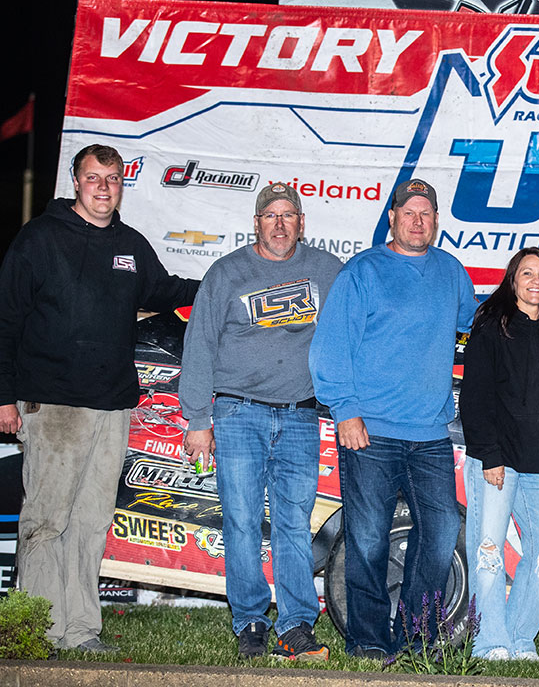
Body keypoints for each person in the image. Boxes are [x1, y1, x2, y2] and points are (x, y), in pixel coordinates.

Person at [0, 144, 198, 651]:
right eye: (93, 178)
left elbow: (166, 290)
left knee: (90, 522)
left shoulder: (129, 244)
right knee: (47, 521)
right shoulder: (40, 238)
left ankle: (81, 630)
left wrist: (220, 284)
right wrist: (3, 396)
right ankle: (40, 629)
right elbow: (6, 320)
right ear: (76, 180)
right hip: (53, 403)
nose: (103, 187)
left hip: (112, 405)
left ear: (121, 184)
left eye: (112, 178)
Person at [308, 179, 476, 658]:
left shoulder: (450, 272)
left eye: (425, 213)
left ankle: (416, 637)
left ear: (436, 220)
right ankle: (367, 641)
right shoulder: (363, 272)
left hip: (431, 433)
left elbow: (477, 325)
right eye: (408, 212)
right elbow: (329, 348)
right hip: (370, 431)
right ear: (392, 218)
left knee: (441, 533)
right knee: (366, 540)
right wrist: (345, 410)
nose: (417, 221)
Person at [179, 182, 343, 660]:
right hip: (237, 413)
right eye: (270, 215)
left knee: (294, 524)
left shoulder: (327, 270)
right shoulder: (227, 272)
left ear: (301, 223)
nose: (279, 223)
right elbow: (199, 345)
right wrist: (198, 418)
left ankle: (296, 625)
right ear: (256, 223)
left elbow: (356, 326)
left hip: (299, 415)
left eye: (288, 215)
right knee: (242, 521)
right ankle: (250, 620)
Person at [460, 248, 539, 662]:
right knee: (488, 553)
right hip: (497, 458)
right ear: (513, 280)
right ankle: (489, 642)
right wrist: (489, 455)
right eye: (527, 273)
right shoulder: (491, 326)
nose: (536, 281)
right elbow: (474, 397)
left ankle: (521, 639)